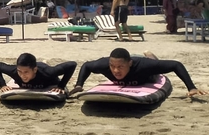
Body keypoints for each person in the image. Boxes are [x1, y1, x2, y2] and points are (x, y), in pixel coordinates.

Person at [70, 48, 205, 99]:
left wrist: (191, 88)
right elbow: (87, 65)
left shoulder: (144, 66)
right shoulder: (104, 65)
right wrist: (79, 85)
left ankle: (150, 54)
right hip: (131, 59)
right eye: (113, 66)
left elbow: (176, 64)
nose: (116, 71)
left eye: (120, 67)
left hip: (148, 73)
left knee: (154, 63)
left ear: (129, 64)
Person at [0, 53, 77, 93]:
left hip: (43, 68)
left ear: (34, 70)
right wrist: (3, 85)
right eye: (20, 71)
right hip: (34, 66)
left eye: (26, 72)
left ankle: (44, 62)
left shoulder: (48, 73)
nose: (22, 75)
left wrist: (61, 86)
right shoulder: (14, 71)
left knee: (48, 67)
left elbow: (72, 65)